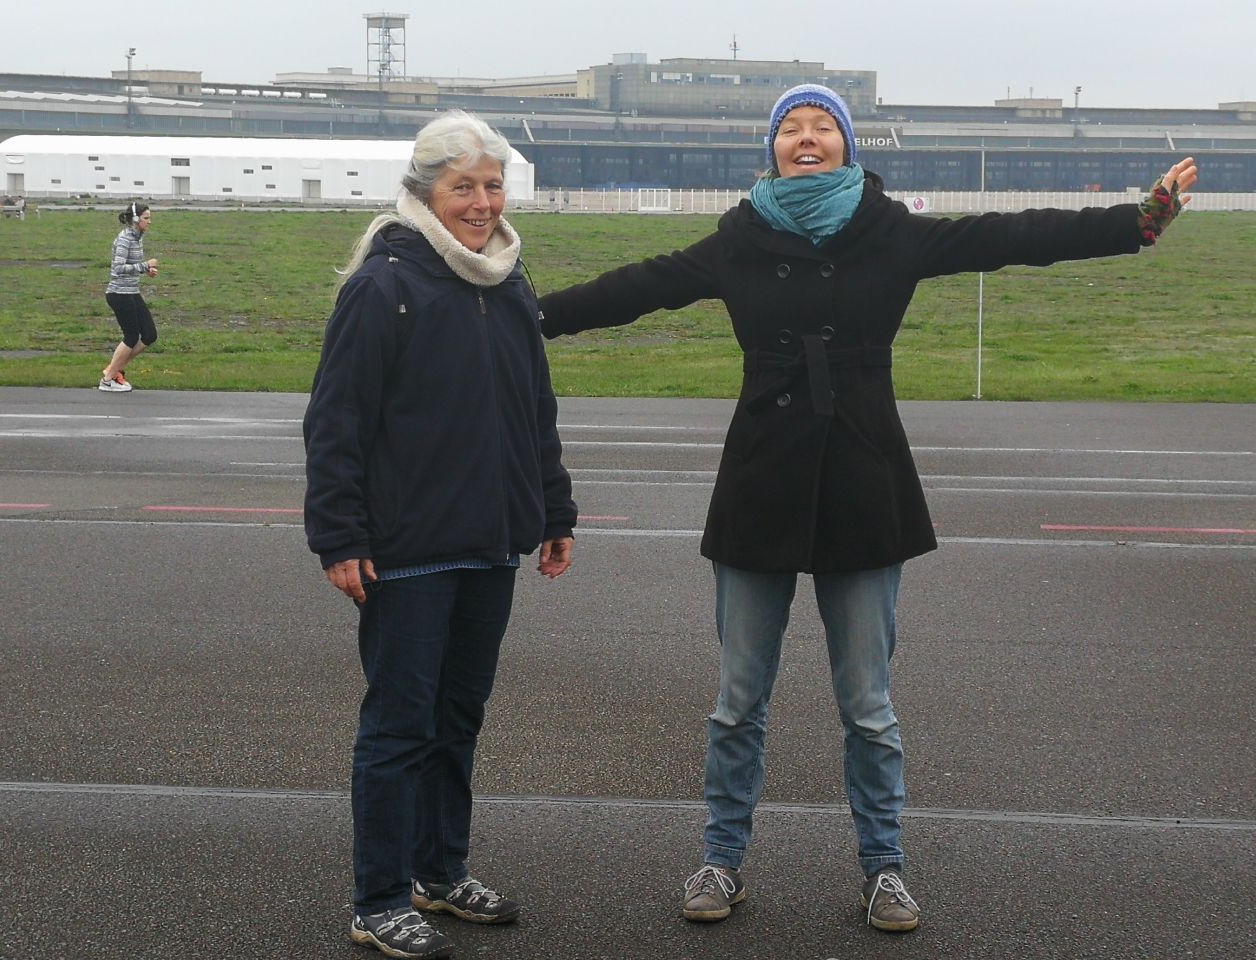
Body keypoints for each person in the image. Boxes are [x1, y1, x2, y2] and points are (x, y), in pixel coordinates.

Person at [536, 84, 1197, 934]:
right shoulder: (739, 238)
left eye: (823, 127)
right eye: (791, 128)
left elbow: (1015, 236)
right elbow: (639, 287)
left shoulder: (892, 232)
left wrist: (1137, 221)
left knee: (869, 707)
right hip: (762, 484)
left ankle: (884, 868)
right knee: (737, 701)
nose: (806, 138)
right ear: (772, 148)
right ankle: (720, 859)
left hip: (862, 477)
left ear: (848, 144)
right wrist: (532, 314)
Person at [303, 110, 577, 960]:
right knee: (399, 726)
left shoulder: (508, 282)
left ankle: (438, 871)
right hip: (409, 550)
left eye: (493, 185)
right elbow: (336, 421)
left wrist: (554, 510)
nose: (483, 203)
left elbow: (535, 412)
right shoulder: (383, 284)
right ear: (426, 192)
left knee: (457, 719)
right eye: (464, 187)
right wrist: (338, 536)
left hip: (491, 541)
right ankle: (379, 898)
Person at [99, 201, 159, 392]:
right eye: (146, 218)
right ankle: (108, 380)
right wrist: (144, 265)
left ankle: (114, 369)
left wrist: (146, 271)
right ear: (135, 219)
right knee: (131, 336)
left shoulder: (137, 237)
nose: (149, 222)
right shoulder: (125, 239)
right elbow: (118, 268)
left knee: (149, 334)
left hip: (131, 292)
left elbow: (131, 265)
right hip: (119, 294)